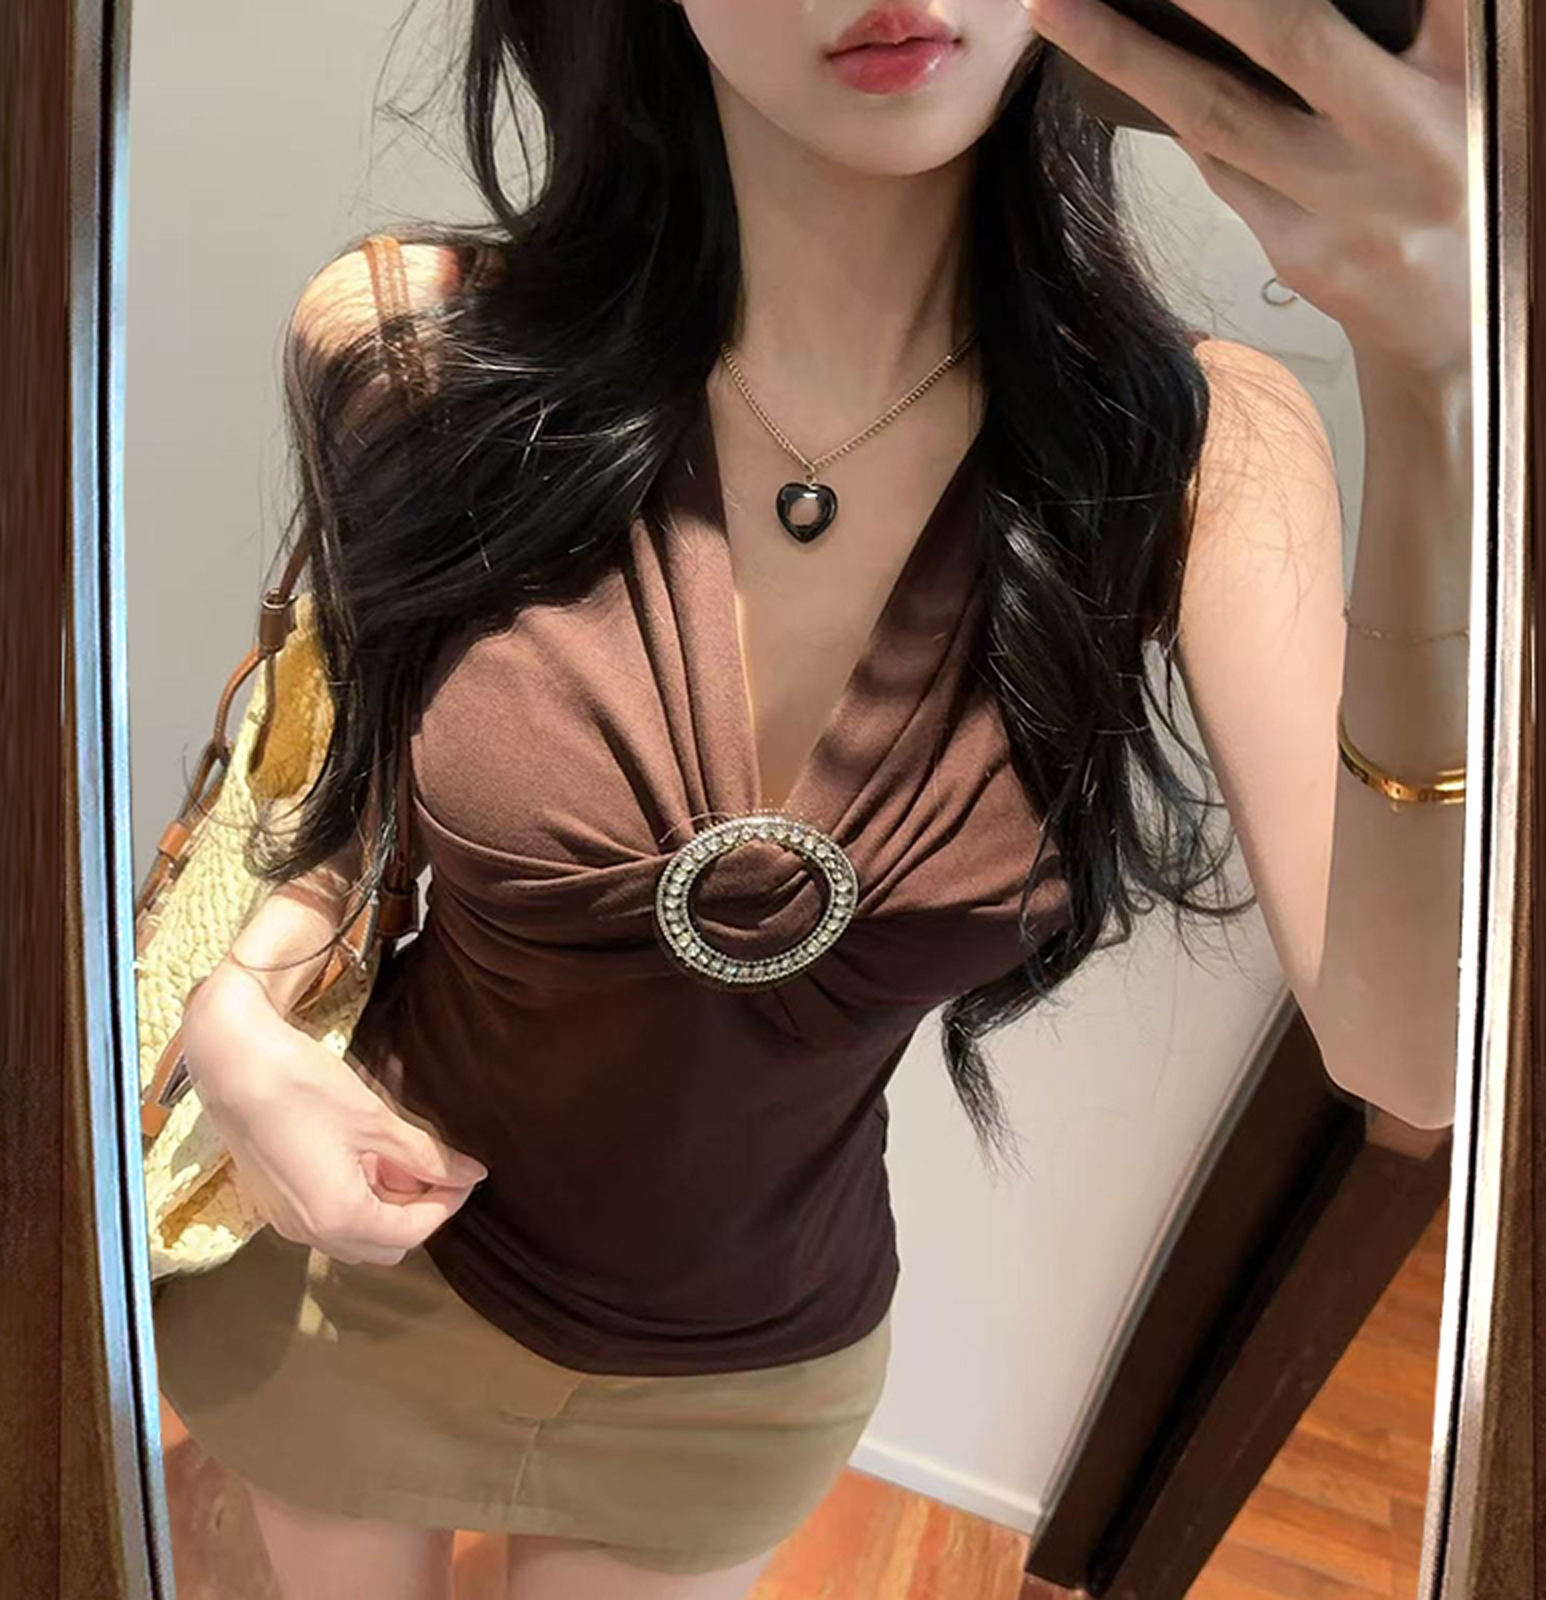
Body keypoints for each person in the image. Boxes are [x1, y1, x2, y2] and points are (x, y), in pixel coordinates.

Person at [153, 2, 1473, 1597]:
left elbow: (1405, 1054)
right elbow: (331, 814)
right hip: (358, 1270)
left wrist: (1441, 385)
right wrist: (235, 1035)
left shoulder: (1199, 455)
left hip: (741, 1374)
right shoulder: (417, 349)